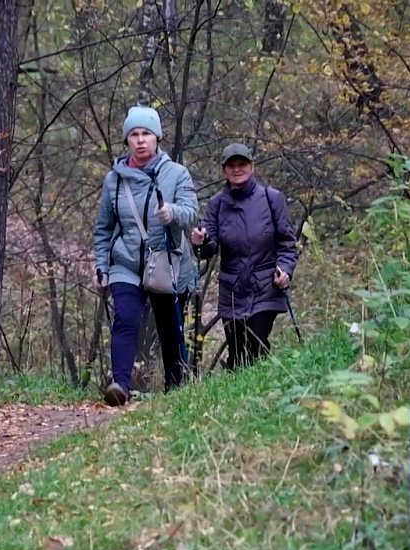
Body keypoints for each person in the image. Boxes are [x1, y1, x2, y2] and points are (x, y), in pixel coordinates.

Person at [93, 106, 198, 407]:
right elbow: (103, 228)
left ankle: (177, 390)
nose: (140, 141)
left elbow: (191, 214)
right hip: (125, 262)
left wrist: (172, 213)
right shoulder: (114, 179)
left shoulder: (176, 174)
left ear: (158, 138)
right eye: (134, 135)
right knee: (125, 318)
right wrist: (102, 265)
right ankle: (120, 386)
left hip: (163, 263)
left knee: (170, 328)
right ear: (127, 140)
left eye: (146, 134)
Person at [190, 143, 298, 370]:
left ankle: (260, 391)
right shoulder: (217, 204)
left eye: (242, 164)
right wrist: (199, 241)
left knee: (255, 343)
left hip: (265, 285)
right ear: (224, 170)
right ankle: (242, 393)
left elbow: (287, 243)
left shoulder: (272, 198)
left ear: (252, 166)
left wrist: (285, 270)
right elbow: (208, 249)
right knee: (238, 353)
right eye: (231, 165)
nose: (237, 169)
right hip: (232, 289)